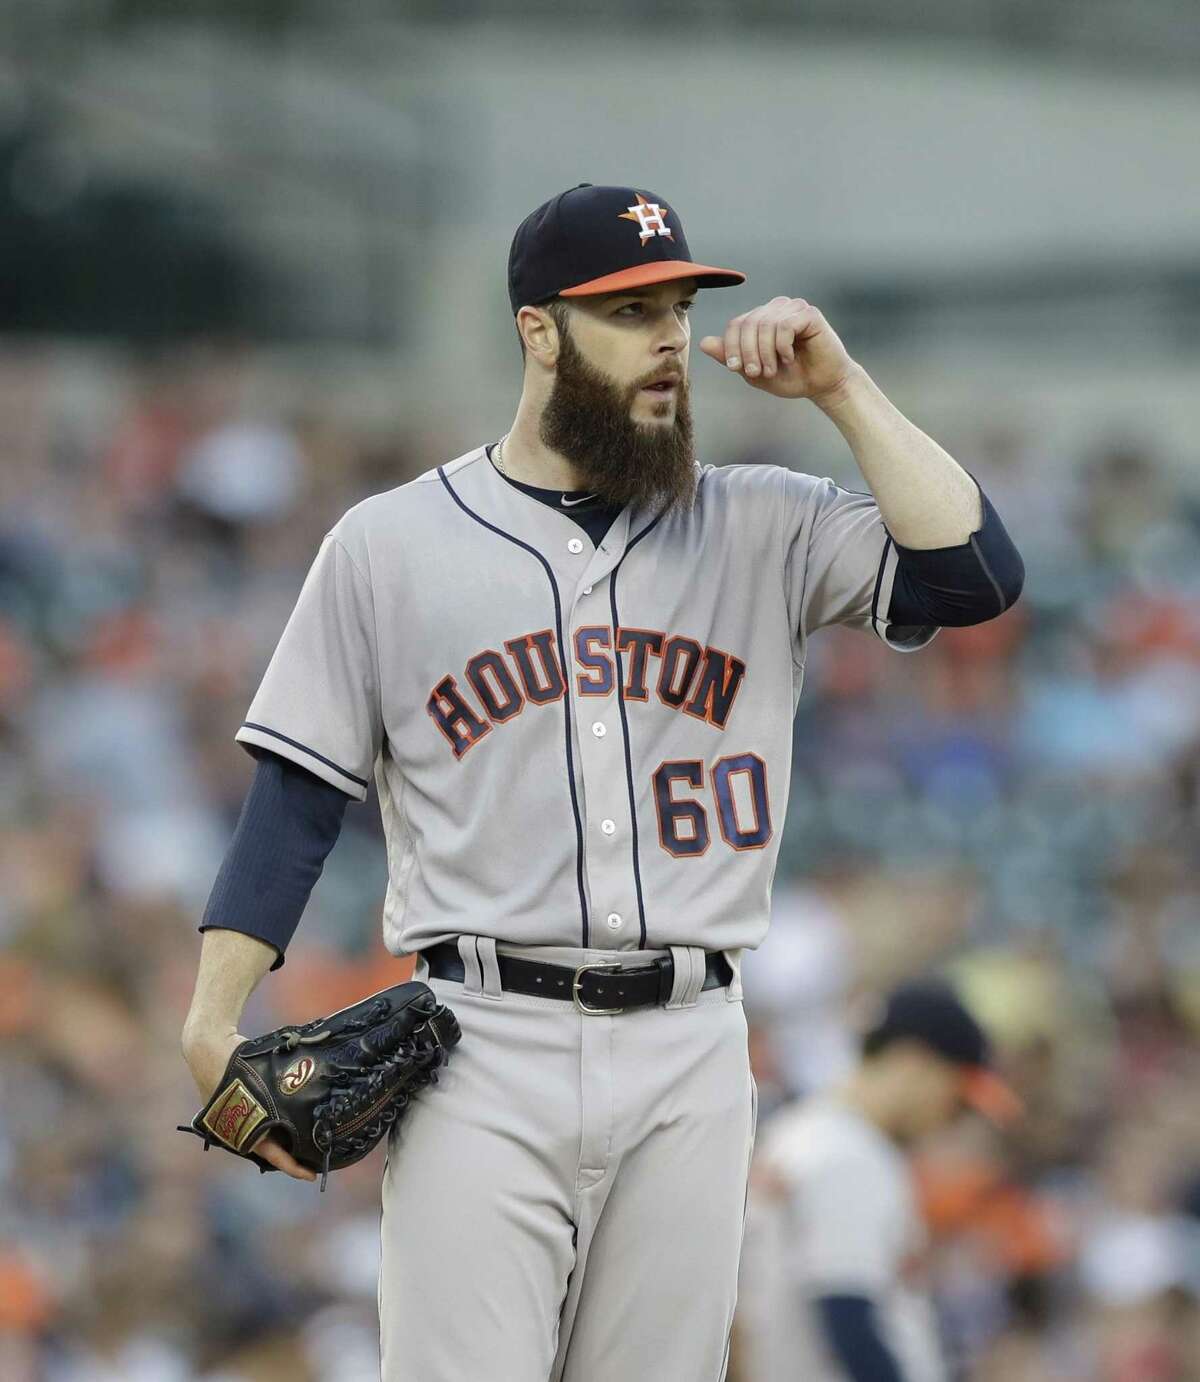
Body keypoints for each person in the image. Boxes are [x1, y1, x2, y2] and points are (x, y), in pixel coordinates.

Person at [180, 183, 1025, 1381]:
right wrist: (212, 1016)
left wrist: (841, 386)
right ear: (539, 331)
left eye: (678, 307)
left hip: (693, 1046)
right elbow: (297, 797)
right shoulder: (390, 541)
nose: (670, 337)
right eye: (631, 311)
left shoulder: (761, 525)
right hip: (481, 1040)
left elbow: (977, 574)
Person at [733, 981, 1022, 1382]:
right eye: (956, 1099)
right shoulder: (850, 1154)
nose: (953, 1119)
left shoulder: (800, 1132)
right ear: (913, 1063)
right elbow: (850, 1319)